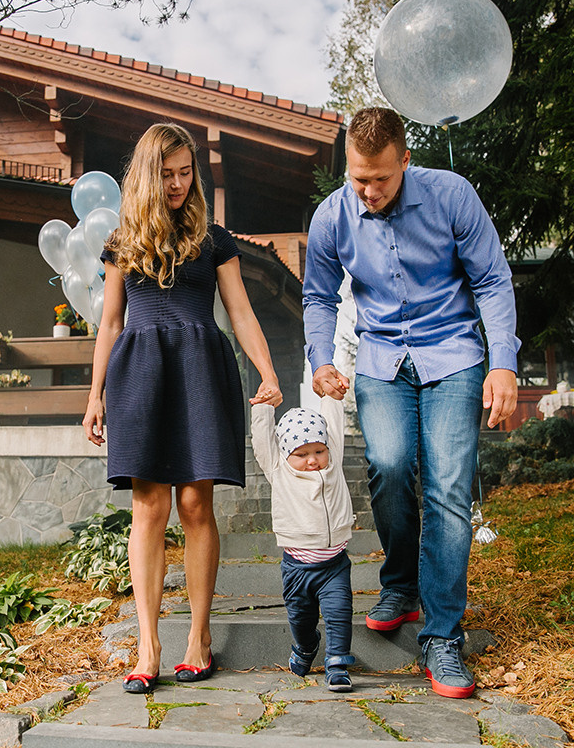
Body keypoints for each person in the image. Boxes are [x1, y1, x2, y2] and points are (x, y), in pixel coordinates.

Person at [302, 107, 519, 699]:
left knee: (448, 485)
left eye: (381, 179)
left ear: (404, 159)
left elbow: (493, 280)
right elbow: (318, 295)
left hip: (454, 354)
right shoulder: (333, 216)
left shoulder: (451, 196)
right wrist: (322, 359)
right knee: (391, 465)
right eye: (358, 179)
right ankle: (400, 583)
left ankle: (442, 634)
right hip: (380, 360)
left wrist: (503, 362)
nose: (368, 192)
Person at [84, 123, 283, 695]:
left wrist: (269, 372)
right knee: (148, 507)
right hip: (141, 372)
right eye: (166, 174)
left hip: (199, 366)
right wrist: (94, 395)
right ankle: (148, 645)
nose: (176, 184)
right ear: (147, 175)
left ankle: (197, 637)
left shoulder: (214, 239)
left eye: (185, 172)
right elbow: (112, 322)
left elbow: (241, 312)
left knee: (196, 504)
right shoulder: (123, 240)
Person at [250, 393, 356, 692]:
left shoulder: (332, 464)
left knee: (339, 614)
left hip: (335, 565)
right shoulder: (278, 470)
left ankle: (337, 664)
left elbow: (333, 424)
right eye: (301, 454)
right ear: (285, 455)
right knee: (300, 618)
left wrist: (331, 397)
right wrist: (263, 407)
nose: (312, 460)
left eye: (318, 451)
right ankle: (306, 647)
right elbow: (262, 441)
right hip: (297, 569)